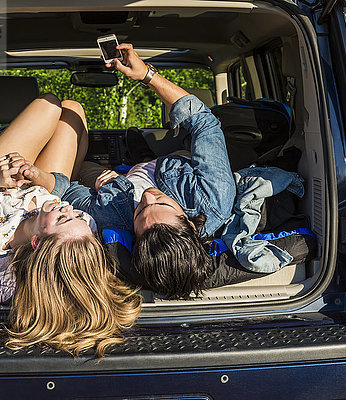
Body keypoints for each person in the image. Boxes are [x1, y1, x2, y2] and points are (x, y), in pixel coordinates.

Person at [0, 94, 141, 356]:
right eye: (77, 217)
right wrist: (38, 179)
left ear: (36, 243)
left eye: (63, 218)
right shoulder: (75, 232)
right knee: (73, 111)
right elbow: (74, 216)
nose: (70, 209)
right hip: (43, 188)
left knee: (49, 105)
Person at [63, 44, 236, 299]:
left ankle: (137, 157)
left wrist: (101, 188)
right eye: (162, 203)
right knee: (147, 155)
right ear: (190, 223)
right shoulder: (213, 198)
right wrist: (146, 74)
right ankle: (143, 154)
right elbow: (202, 122)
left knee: (77, 169)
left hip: (118, 181)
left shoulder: (113, 219)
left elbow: (65, 191)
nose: (147, 197)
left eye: (140, 211)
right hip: (169, 163)